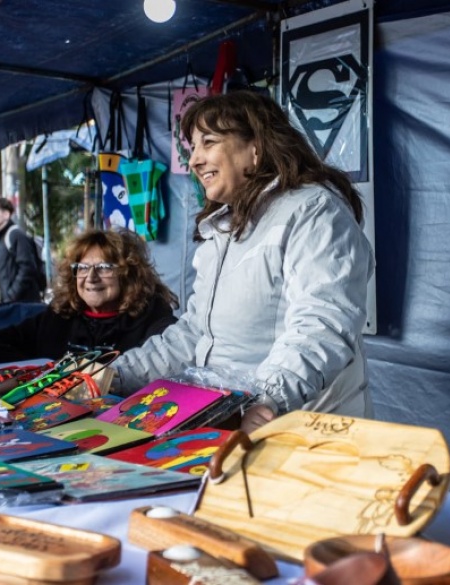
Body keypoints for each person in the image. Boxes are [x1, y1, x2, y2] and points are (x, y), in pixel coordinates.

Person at [112, 91, 375, 433]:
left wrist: (267, 399)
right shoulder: (222, 230)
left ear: (257, 148)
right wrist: (115, 375)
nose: (194, 161)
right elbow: (195, 335)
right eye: (193, 147)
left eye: (209, 142)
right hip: (229, 423)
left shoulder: (313, 211)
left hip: (302, 432)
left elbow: (321, 322)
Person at [0, 228, 179, 362]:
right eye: (82, 268)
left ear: (128, 273)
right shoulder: (59, 317)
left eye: (104, 267)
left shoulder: (152, 317)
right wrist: (42, 371)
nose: (91, 277)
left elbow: (169, 359)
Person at [0, 197, 44, 303]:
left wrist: (11, 297)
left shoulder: (16, 235)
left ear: (6, 214)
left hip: (25, 306)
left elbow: (27, 269)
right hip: (13, 306)